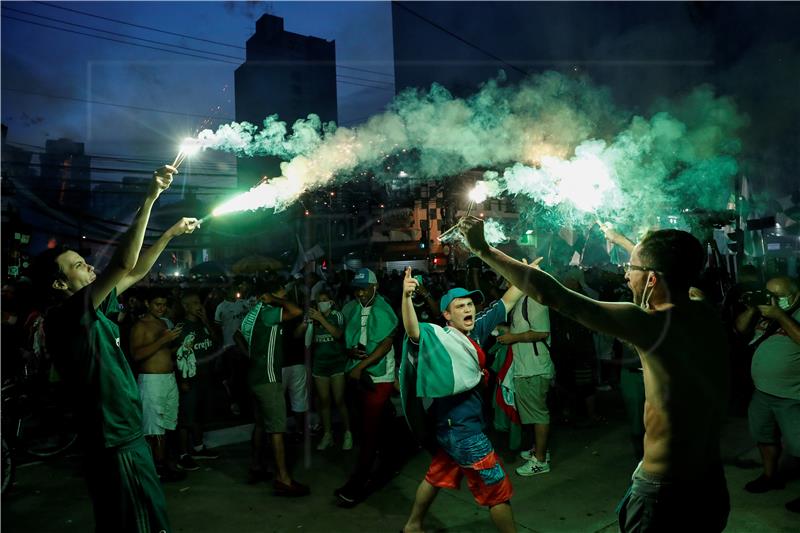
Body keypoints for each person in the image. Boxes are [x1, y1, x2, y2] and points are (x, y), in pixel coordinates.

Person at [460, 217, 731, 532]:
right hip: (711, 482)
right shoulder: (704, 310)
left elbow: (554, 296)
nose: (626, 275)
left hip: (667, 491)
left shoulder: (652, 323)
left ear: (653, 279)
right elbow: (674, 273)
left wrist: (483, 250)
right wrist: (627, 244)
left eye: (631, 267)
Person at [37, 165, 198, 532]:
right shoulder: (66, 316)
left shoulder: (95, 309)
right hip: (116, 439)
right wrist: (149, 198)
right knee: (140, 524)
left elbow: (135, 271)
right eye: (78, 265)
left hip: (123, 436)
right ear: (60, 285)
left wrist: (170, 233)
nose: (88, 266)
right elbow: (123, 262)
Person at [400, 266, 524, 533]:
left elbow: (508, 301)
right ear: (447, 315)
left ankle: (412, 525)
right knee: (498, 491)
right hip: (464, 433)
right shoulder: (439, 337)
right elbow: (412, 331)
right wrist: (406, 297)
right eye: (460, 306)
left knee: (436, 476)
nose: (468, 309)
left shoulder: (477, 330)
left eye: (470, 304)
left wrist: (526, 274)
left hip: (450, 431)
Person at [234, 280, 310, 496]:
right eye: (281, 291)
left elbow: (237, 335)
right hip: (268, 379)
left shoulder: (253, 314)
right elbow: (295, 311)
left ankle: (257, 466)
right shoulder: (268, 312)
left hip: (255, 377)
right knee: (277, 428)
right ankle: (283, 479)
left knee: (260, 425)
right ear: (268, 296)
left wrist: (250, 356)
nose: (285, 293)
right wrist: (276, 300)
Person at [334, 268, 399, 506]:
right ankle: (387, 461)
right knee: (367, 424)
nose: (361, 293)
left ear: (375, 287)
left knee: (370, 429)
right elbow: (343, 336)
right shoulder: (351, 308)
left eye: (365, 288)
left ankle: (358, 484)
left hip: (378, 374)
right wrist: (349, 351)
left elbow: (386, 344)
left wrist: (362, 367)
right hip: (356, 371)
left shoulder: (384, 309)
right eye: (357, 289)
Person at [734, 276, 800, 512]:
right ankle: (769, 476)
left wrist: (780, 315)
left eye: (779, 296)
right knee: (764, 437)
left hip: (793, 396)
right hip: (762, 392)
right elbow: (740, 329)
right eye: (769, 294)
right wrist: (754, 309)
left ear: (796, 294)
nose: (773, 300)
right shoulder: (765, 312)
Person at [130, 288, 185, 481]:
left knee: (167, 424)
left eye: (164, 305)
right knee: (153, 428)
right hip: (151, 381)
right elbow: (136, 355)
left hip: (168, 379)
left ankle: (162, 464)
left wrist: (181, 347)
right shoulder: (140, 326)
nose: (162, 308)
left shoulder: (164, 323)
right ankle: (153, 468)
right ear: (147, 304)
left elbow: (165, 353)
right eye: (157, 304)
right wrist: (163, 340)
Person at [499, 291, 552, 476]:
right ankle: (540, 449)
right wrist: (506, 332)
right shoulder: (521, 301)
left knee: (538, 415)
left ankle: (540, 460)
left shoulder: (534, 300)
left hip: (534, 368)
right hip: (527, 367)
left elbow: (542, 332)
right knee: (533, 413)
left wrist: (513, 338)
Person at [295, 289, 352, 451]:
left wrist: (322, 319)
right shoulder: (314, 318)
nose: (322, 302)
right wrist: (307, 323)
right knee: (324, 401)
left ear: (331, 302)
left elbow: (338, 334)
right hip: (320, 366)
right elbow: (303, 339)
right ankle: (328, 434)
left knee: (339, 400)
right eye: (319, 300)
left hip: (337, 365)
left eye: (325, 299)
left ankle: (348, 432)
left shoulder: (337, 315)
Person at [174, 290, 221, 472]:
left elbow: (217, 342)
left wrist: (207, 322)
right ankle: (183, 454)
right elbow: (177, 355)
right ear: (186, 306)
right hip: (189, 379)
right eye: (194, 302)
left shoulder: (203, 324)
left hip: (205, 378)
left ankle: (198, 448)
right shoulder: (181, 327)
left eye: (199, 302)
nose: (198, 305)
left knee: (199, 415)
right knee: (186, 418)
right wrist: (182, 380)